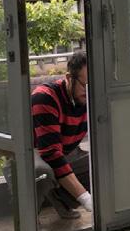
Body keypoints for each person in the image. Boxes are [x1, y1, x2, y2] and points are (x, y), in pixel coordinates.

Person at [31, 50, 92, 219]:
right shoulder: (44, 97)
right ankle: (28, 221)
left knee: (105, 162)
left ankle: (60, 199)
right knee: (41, 172)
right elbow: (51, 153)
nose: (90, 92)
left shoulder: (91, 97)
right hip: (30, 154)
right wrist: (86, 199)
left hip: (66, 151)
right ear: (69, 78)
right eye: (85, 85)